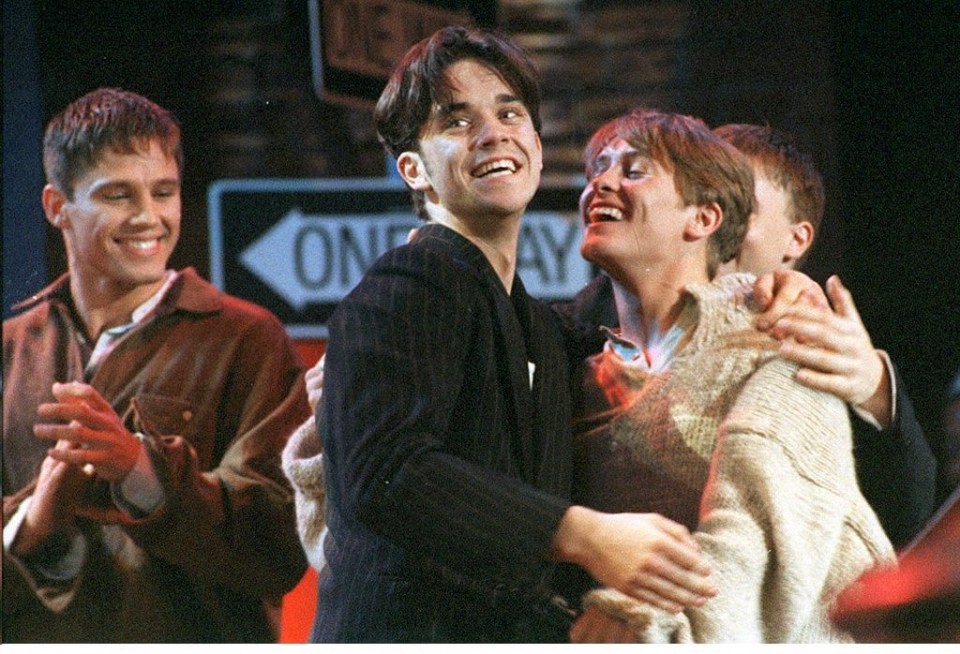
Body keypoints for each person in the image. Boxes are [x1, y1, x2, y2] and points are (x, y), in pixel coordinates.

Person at [308, 27, 719, 643]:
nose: (493, 132)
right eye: (456, 121)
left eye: (509, 112)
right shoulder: (412, 280)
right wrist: (587, 534)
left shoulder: (531, 322)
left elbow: (627, 312)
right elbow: (387, 472)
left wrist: (765, 286)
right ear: (413, 170)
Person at [565, 108, 896, 643]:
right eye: (598, 168)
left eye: (633, 170)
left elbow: (749, 541)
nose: (601, 182)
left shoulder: (780, 340)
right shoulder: (581, 375)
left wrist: (645, 626)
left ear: (703, 219)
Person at [1, 88, 311, 642]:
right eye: (119, 195)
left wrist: (141, 470)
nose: (149, 217)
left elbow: (280, 546)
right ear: (56, 207)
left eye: (163, 192)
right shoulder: (10, 349)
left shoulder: (248, 339)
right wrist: (36, 524)